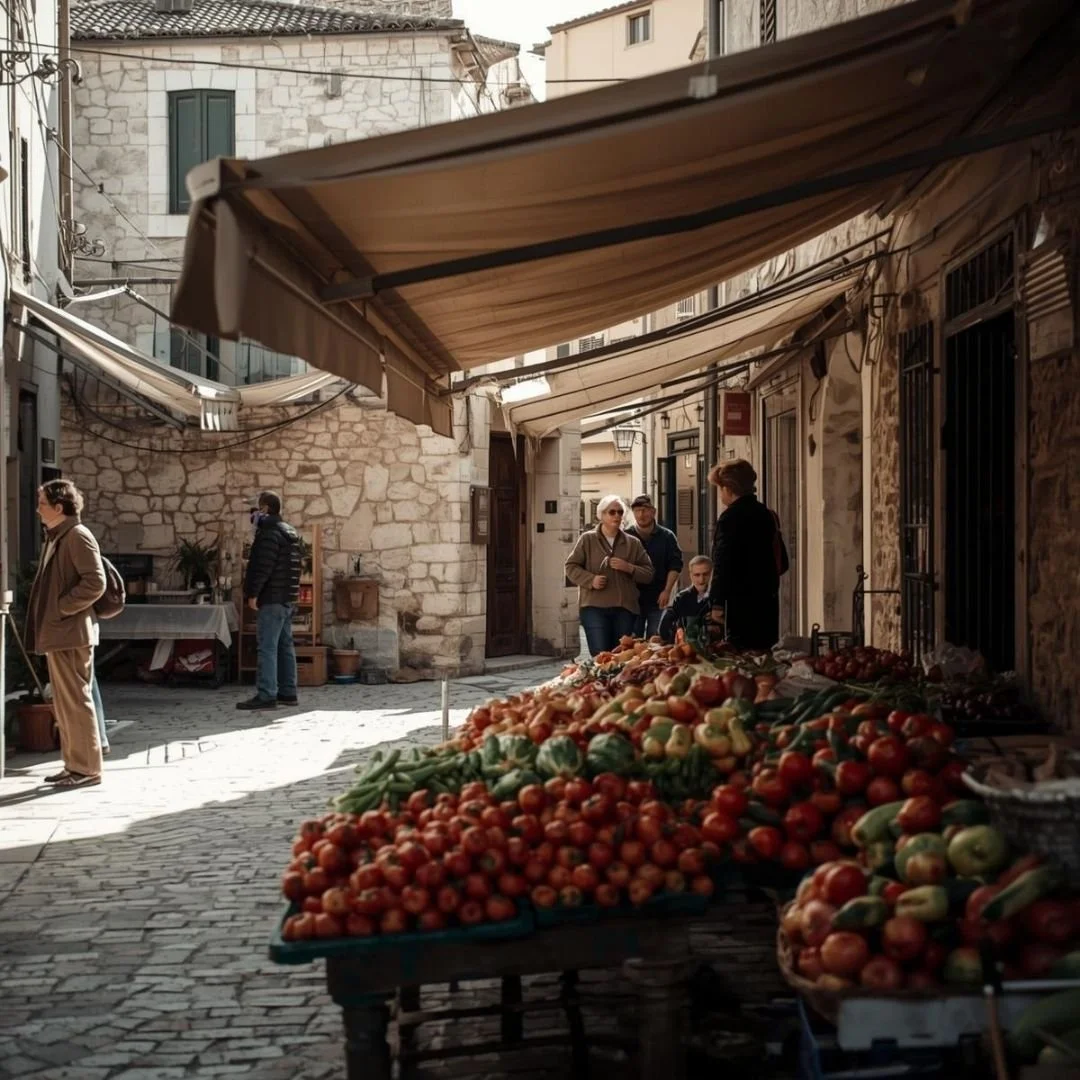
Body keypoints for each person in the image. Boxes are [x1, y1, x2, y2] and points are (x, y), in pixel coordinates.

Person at [26, 479, 107, 788]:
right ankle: (74, 764)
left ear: (59, 507)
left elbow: (95, 583)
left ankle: (86, 769)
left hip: (71, 632)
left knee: (75, 701)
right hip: (62, 633)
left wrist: (61, 608)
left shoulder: (76, 536)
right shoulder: (59, 536)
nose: (37, 510)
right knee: (65, 703)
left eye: (42, 504)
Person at [707, 459, 789, 651]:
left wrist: (717, 603)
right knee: (763, 653)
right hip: (767, 598)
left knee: (740, 654)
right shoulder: (765, 513)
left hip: (739, 603)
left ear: (728, 488)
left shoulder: (730, 518)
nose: (720, 495)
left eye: (720, 489)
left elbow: (723, 563)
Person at [564, 495, 654, 656]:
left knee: (620, 655)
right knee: (600, 655)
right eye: (612, 512)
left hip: (624, 608)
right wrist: (591, 580)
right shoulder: (587, 539)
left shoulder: (633, 543)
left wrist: (629, 567)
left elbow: (648, 574)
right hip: (593, 607)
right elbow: (571, 567)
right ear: (601, 515)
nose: (617, 516)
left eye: (620, 512)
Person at [239, 491, 301, 711]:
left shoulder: (268, 533)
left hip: (272, 598)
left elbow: (263, 566)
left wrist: (253, 594)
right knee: (285, 645)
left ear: (264, 509)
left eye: (254, 509)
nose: (252, 514)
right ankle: (288, 691)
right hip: (287, 597)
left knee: (267, 646)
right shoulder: (287, 532)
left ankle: (267, 694)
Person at [625, 494, 683, 639]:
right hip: (632, 599)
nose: (641, 514)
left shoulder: (667, 536)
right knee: (632, 641)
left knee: (656, 640)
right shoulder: (626, 536)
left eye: (645, 510)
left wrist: (667, 590)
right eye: (637, 510)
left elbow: (675, 565)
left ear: (653, 511)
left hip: (658, 598)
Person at [658, 555, 713, 644]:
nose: (701, 579)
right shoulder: (681, 598)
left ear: (712, 574)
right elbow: (664, 628)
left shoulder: (717, 598)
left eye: (705, 574)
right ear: (691, 575)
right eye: (697, 575)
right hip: (685, 646)